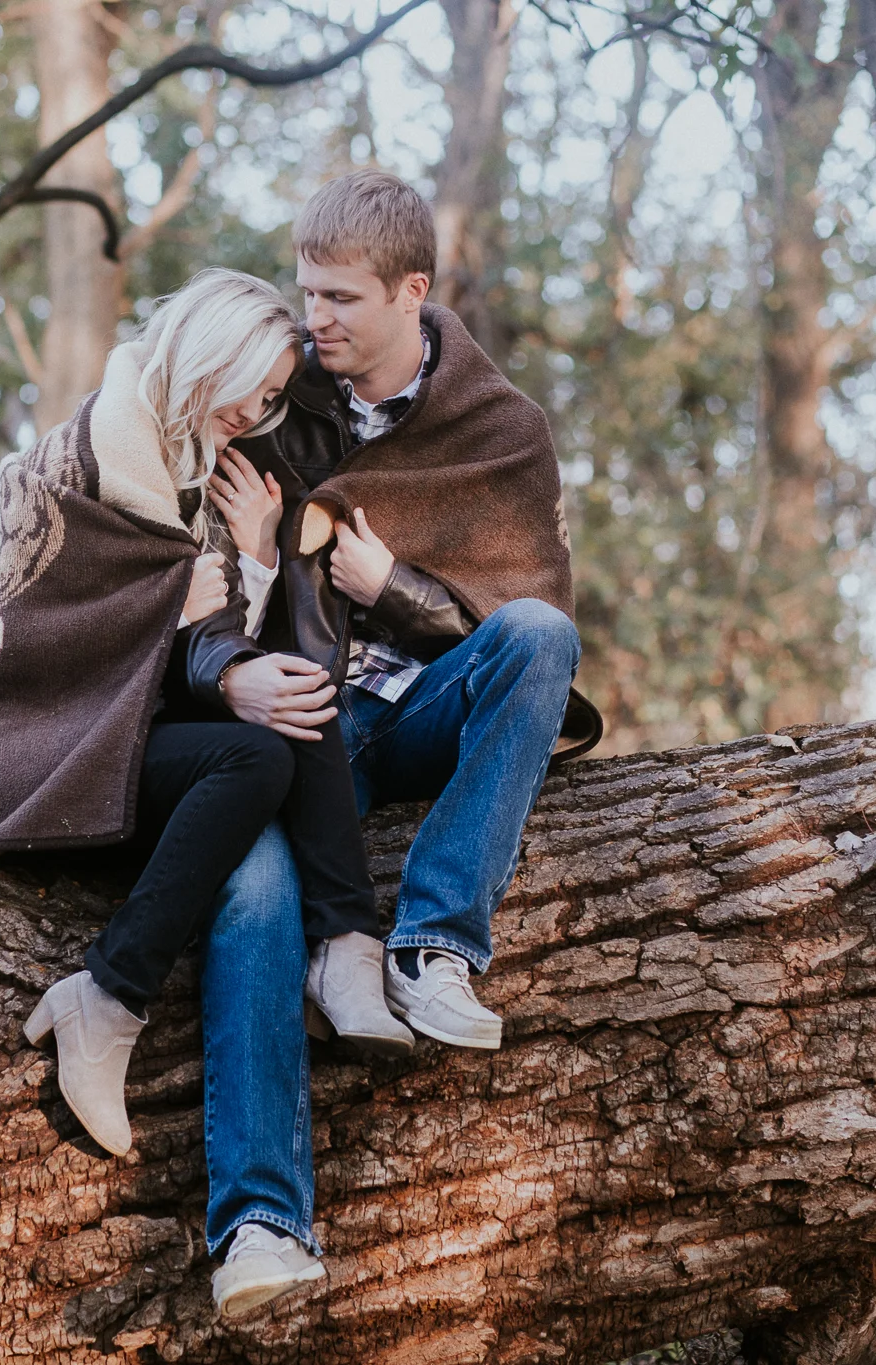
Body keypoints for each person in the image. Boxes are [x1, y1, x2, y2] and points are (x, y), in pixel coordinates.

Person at [188, 170, 602, 1317]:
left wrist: (393, 587)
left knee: (539, 636)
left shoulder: (499, 428)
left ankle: (432, 948)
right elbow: (198, 593)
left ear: (410, 292)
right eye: (303, 291)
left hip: (414, 717)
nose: (311, 318)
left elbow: (512, 608)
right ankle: (262, 1227)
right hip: (292, 732)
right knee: (252, 895)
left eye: (337, 299)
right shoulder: (274, 409)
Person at [0, 269, 411, 1169]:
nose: (261, 412)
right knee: (256, 756)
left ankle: (344, 945)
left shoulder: (211, 472)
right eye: (256, 387)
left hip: (140, 739)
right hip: (37, 752)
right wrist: (168, 602)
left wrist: (260, 558)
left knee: (279, 721)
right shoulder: (72, 459)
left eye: (278, 397)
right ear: (209, 353)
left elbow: (210, 654)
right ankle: (115, 995)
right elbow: (40, 635)